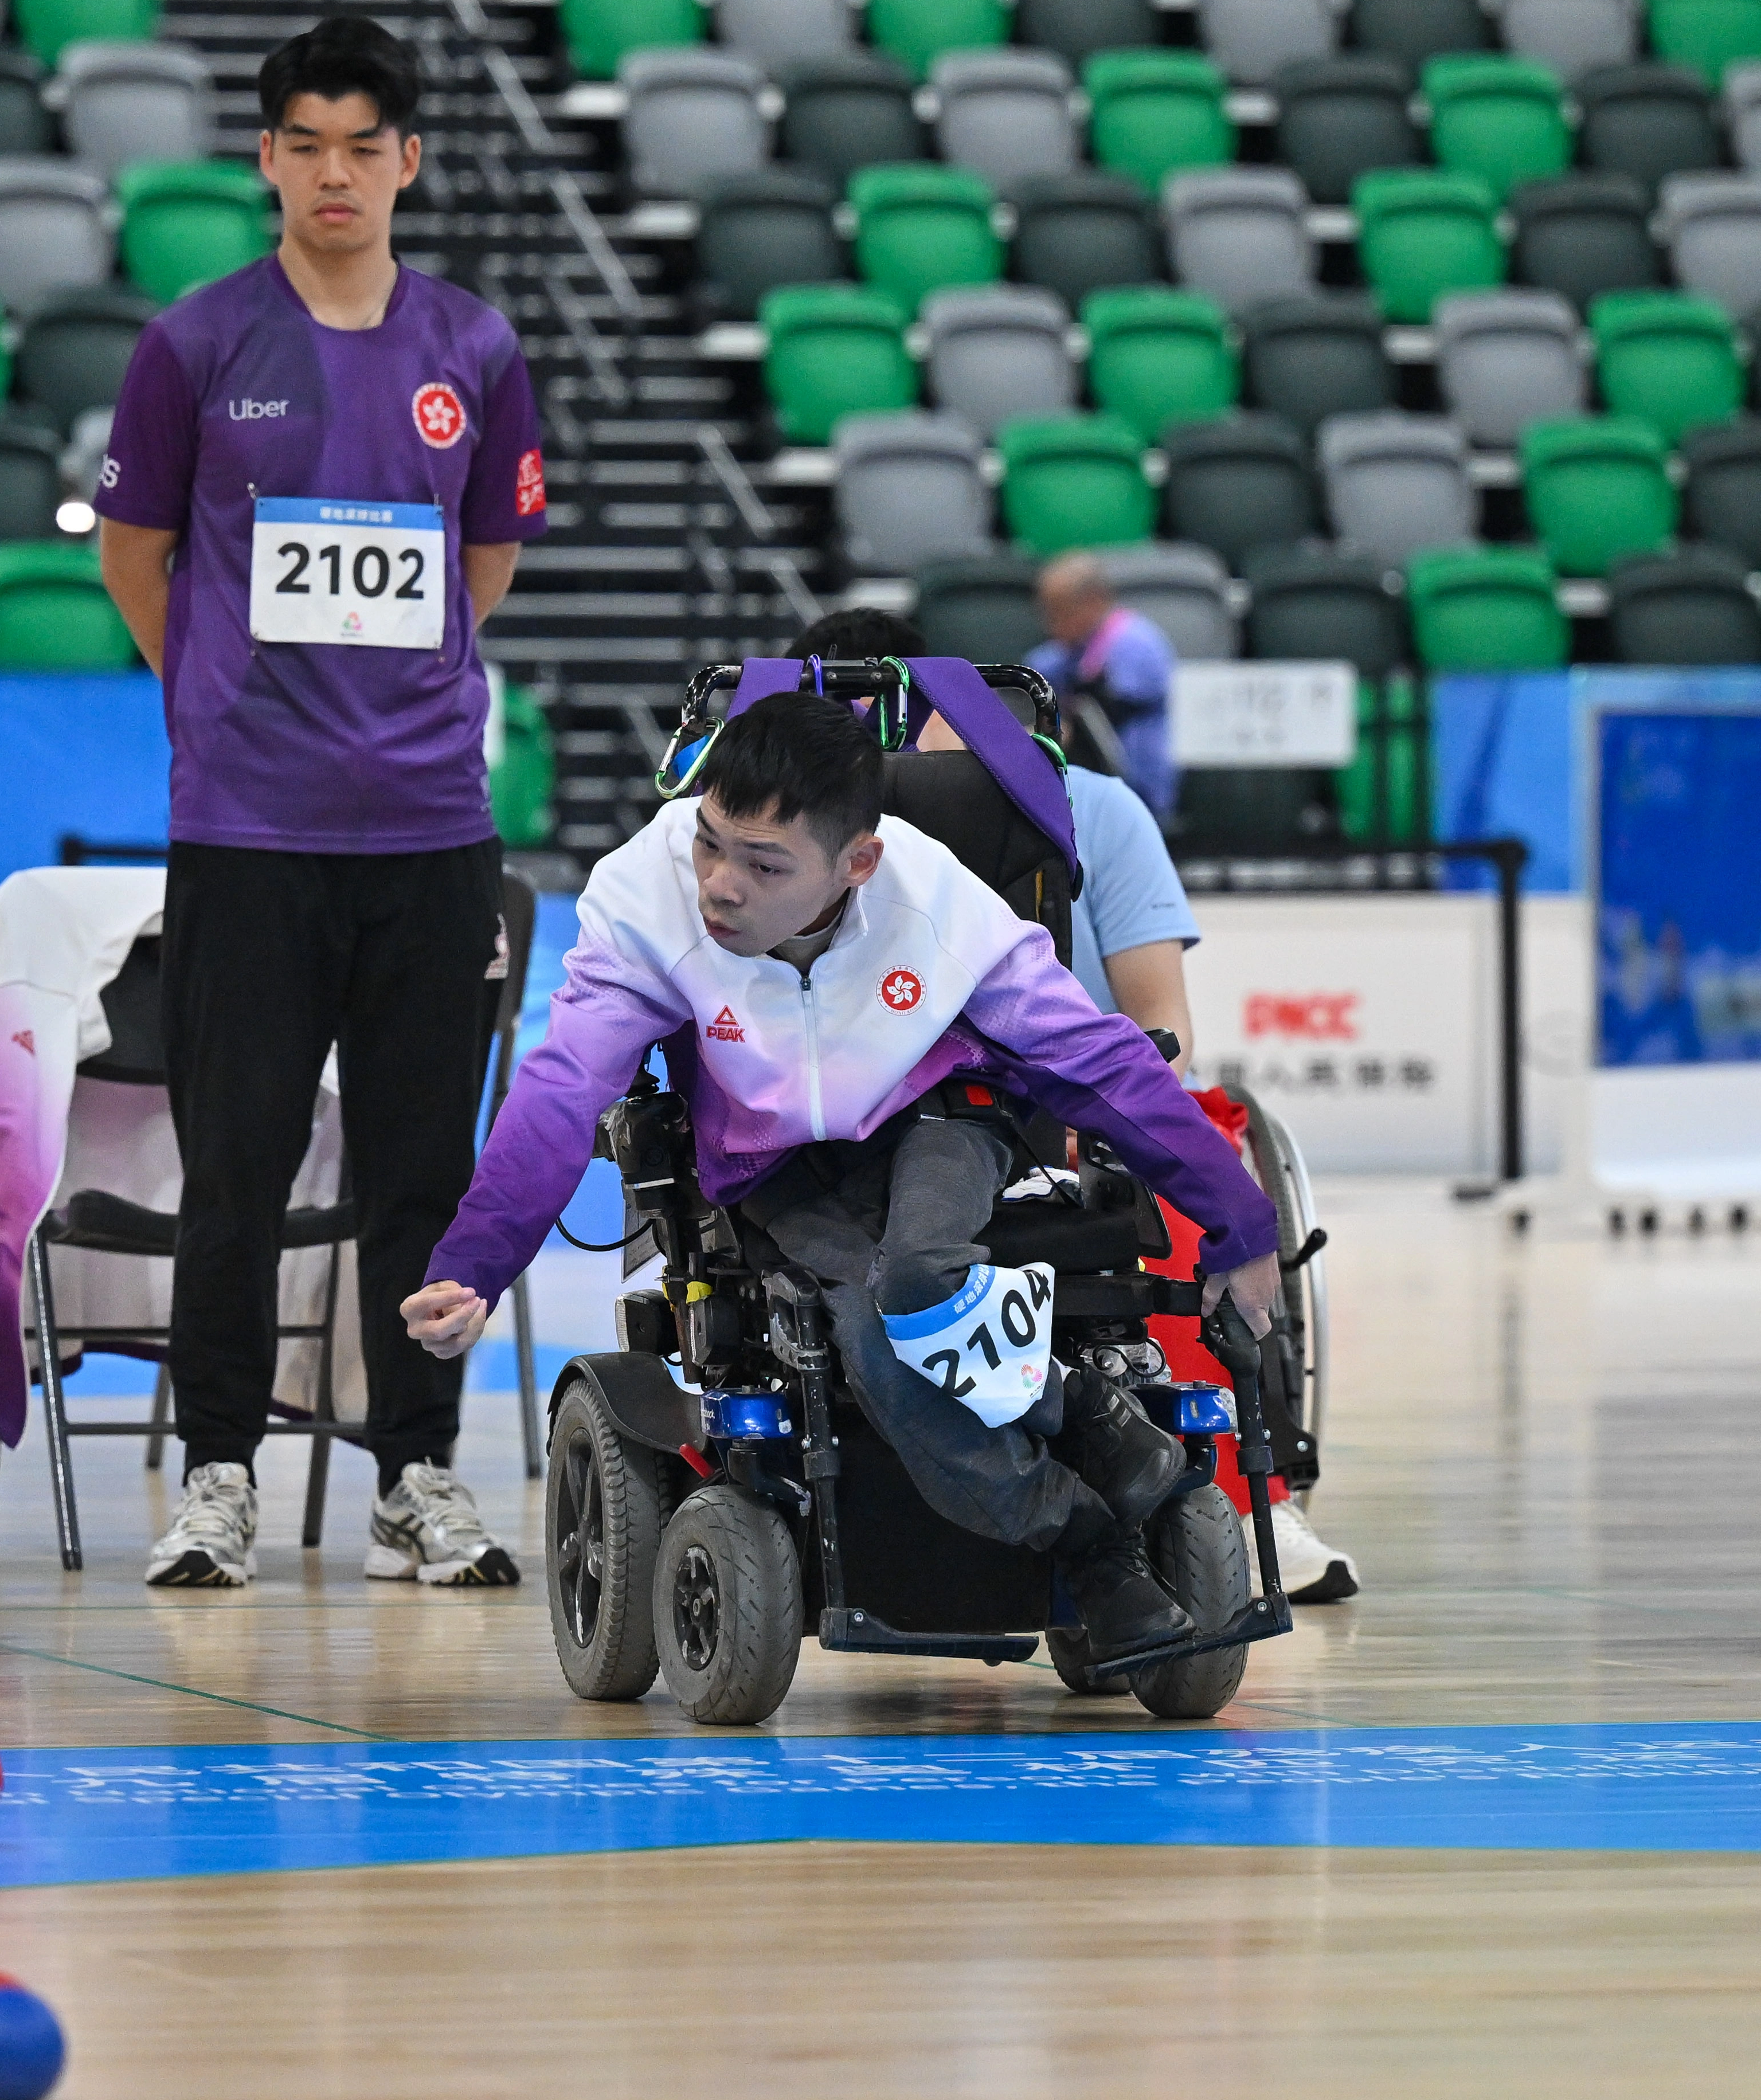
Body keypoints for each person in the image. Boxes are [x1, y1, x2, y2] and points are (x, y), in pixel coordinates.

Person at [400, 694, 1286, 1662]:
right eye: (709, 844)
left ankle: (1082, 1418)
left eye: (763, 864)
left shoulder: (933, 899)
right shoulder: (640, 899)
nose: (719, 886)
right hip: (774, 1164)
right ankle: (1088, 1530)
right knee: (871, 1332)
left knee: (914, 1282)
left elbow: (1102, 1064)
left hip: (940, 1117)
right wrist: (475, 1264)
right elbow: (562, 1090)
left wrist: (1241, 1224)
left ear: (855, 863)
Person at [88, 12, 547, 1594]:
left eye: (366, 144)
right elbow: (132, 553)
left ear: (407, 160)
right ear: (267, 159)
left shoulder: (474, 349)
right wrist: (214, 700)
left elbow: (479, 566)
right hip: (248, 833)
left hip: (428, 836)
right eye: (306, 142)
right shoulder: (195, 343)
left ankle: (418, 1473)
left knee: (420, 1172)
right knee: (239, 1159)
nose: (335, 171)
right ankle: (216, 1472)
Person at [800, 606, 1359, 1605]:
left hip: (1060, 1095)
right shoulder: (778, 837)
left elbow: (1159, 1026)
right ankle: (1078, 1490)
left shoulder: (1093, 809)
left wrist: (1097, 1100)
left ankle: (1249, 1485)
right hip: (875, 1122)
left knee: (1183, 1154)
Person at [1023, 554, 1179, 824]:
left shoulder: (1137, 643)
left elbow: (1106, 712)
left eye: (1059, 611)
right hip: (1088, 791)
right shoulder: (1059, 655)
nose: (1049, 623)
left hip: (1140, 793)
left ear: (1094, 601)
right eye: (1045, 612)